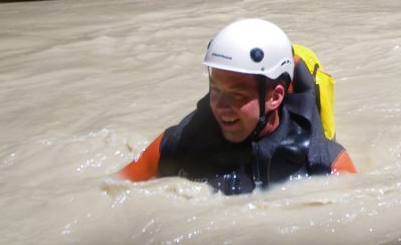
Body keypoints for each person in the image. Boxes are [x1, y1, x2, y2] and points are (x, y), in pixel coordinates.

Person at [118, 18, 356, 194]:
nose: (220, 106)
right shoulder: (178, 143)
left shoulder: (325, 162)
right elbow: (115, 189)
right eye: (216, 90)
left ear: (275, 97)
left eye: (237, 96)